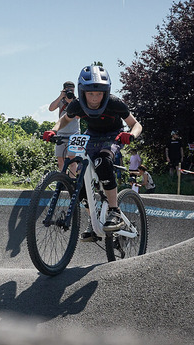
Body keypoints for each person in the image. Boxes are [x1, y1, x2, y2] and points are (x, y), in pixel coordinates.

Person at [43, 65, 143, 241]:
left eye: (99, 94)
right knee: (80, 182)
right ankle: (93, 220)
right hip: (91, 136)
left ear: (106, 92)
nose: (95, 98)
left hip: (113, 136)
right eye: (90, 93)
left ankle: (114, 211)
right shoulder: (77, 104)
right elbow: (64, 119)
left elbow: (136, 124)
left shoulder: (114, 102)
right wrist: (54, 130)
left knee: (103, 162)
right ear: (83, 92)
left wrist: (131, 135)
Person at [48, 81, 80, 175]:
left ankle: (72, 179)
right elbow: (51, 108)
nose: (70, 92)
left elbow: (78, 116)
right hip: (61, 133)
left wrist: (71, 103)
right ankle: (62, 179)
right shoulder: (61, 101)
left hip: (74, 133)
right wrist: (60, 97)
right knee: (60, 159)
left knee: (72, 159)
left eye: (72, 90)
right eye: (68, 90)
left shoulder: (77, 101)